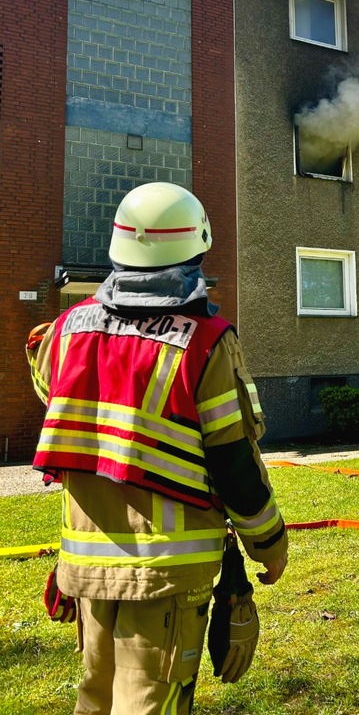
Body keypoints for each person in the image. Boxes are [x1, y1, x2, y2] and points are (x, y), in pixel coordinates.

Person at [27, 182, 288, 714]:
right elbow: (234, 463)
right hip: (167, 573)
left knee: (94, 699)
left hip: (86, 568)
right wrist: (270, 544)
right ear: (196, 248)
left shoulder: (66, 332)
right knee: (149, 705)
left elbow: (46, 382)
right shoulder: (206, 341)